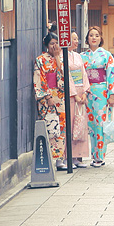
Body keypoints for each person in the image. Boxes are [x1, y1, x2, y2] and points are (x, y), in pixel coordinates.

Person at [81, 25, 114, 167]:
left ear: (100, 38)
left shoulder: (106, 55)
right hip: (86, 92)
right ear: (87, 39)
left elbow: (113, 74)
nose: (94, 38)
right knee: (88, 124)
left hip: (102, 92)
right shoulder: (82, 56)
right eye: (91, 35)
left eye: (97, 35)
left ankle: (99, 156)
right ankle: (84, 155)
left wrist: (112, 95)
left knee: (100, 123)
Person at [33, 31, 67, 170]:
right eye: (52, 43)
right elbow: (40, 78)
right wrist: (47, 96)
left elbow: (65, 75)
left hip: (60, 96)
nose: (54, 46)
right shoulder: (40, 59)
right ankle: (51, 158)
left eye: (56, 43)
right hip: (48, 98)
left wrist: (58, 57)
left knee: (61, 127)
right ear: (46, 45)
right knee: (50, 125)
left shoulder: (61, 58)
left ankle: (60, 159)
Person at [67, 32, 90, 168]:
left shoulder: (78, 56)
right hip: (72, 93)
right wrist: (74, 94)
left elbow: (84, 74)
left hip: (81, 90)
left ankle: (77, 156)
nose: (76, 41)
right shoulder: (63, 57)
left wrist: (85, 92)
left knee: (80, 123)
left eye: (76, 38)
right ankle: (67, 156)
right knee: (71, 123)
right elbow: (67, 76)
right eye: (73, 39)